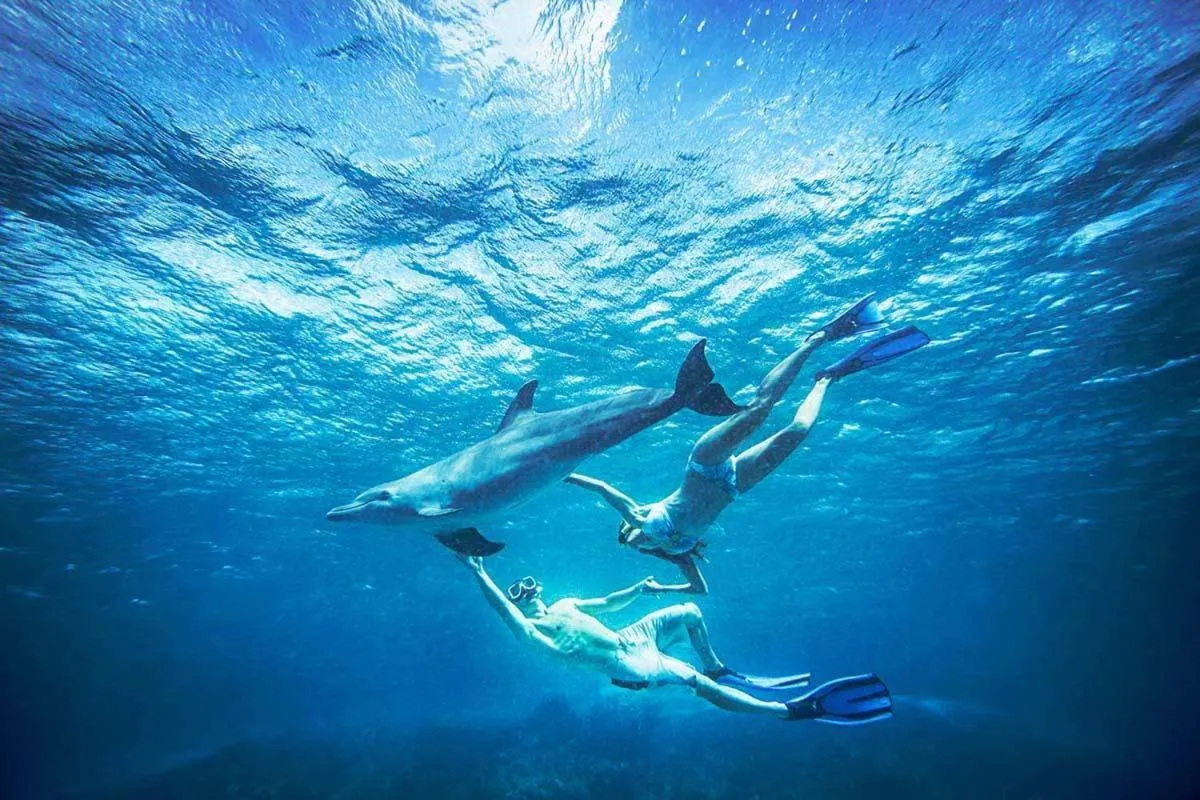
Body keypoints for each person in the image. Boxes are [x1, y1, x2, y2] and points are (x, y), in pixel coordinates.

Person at [565, 294, 930, 592]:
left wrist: (563, 474)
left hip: (705, 463)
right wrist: (657, 589)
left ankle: (818, 339)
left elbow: (600, 488)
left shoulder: (640, 517)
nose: (628, 543)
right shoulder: (677, 550)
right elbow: (699, 591)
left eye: (624, 538)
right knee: (798, 431)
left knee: (760, 408)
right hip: (733, 483)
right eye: (628, 544)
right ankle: (826, 379)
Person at [458, 554, 893, 724]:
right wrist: (480, 572)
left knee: (689, 611)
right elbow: (502, 609)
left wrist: (638, 587)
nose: (528, 593)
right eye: (520, 593)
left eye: (530, 585)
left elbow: (609, 603)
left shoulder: (567, 604)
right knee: (697, 687)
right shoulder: (535, 634)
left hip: (633, 636)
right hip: (627, 666)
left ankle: (717, 664)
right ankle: (786, 711)